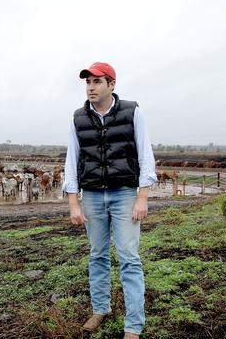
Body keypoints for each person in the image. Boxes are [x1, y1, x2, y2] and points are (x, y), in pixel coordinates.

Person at [62, 62, 157, 337]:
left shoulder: (131, 112)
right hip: (92, 195)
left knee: (129, 257)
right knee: (97, 255)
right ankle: (100, 309)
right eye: (88, 83)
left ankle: (133, 325)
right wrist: (73, 202)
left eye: (97, 82)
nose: (91, 87)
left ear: (111, 85)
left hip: (125, 194)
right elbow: (72, 160)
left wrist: (142, 197)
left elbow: (145, 154)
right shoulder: (78, 118)